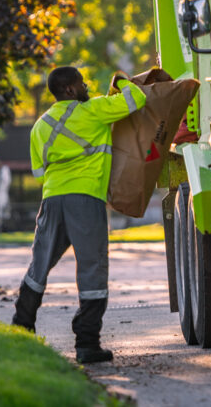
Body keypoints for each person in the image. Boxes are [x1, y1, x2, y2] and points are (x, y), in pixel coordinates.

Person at [12, 66, 146, 364]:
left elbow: (38, 172)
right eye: (82, 83)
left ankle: (21, 329)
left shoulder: (39, 126)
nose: (87, 86)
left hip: (52, 200)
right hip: (86, 199)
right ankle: (87, 344)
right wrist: (122, 80)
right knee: (92, 270)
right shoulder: (95, 109)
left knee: (39, 266)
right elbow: (137, 98)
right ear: (70, 90)